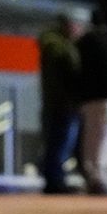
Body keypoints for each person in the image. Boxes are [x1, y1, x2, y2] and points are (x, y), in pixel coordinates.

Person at [36, 15, 84, 193]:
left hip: (58, 102)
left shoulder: (53, 45)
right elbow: (71, 70)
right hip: (62, 103)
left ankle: (56, 179)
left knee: (58, 142)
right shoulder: (57, 46)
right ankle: (55, 181)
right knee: (59, 142)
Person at [75, 14, 107, 195]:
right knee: (105, 137)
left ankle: (92, 177)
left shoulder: (82, 42)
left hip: (86, 97)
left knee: (91, 138)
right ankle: (99, 179)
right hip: (104, 96)